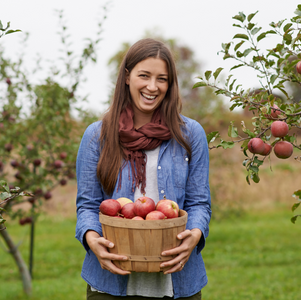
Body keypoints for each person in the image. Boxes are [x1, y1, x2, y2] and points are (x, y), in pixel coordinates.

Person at [75, 38, 212, 299]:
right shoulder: (98, 136)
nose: (152, 86)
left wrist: (194, 235)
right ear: (127, 77)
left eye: (162, 78)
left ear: (170, 84)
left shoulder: (189, 134)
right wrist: (93, 240)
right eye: (144, 75)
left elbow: (199, 203)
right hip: (110, 281)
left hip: (177, 281)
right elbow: (88, 206)